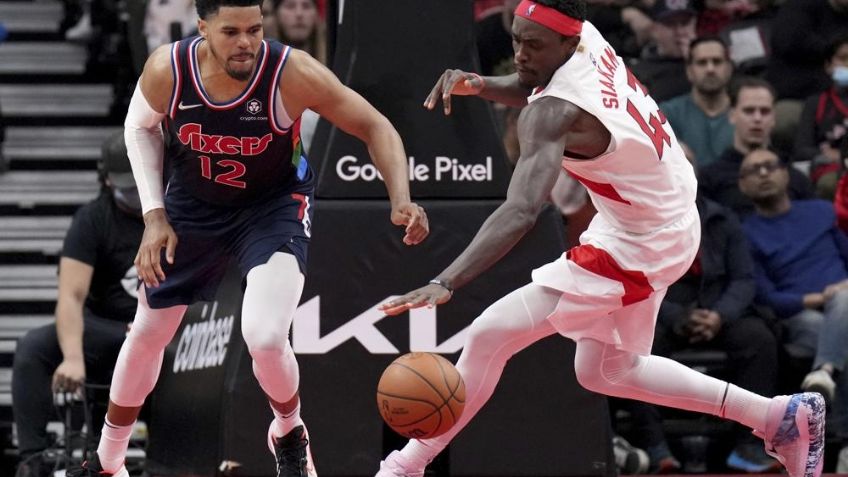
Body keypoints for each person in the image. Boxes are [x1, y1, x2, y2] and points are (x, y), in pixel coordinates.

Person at [374, 2, 825, 477]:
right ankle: (778, 416)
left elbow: (522, 210)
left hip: (643, 238)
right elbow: (532, 79)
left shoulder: (555, 113)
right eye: (516, 40)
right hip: (658, 211)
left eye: (533, 45)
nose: (521, 54)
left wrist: (447, 279)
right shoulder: (584, 36)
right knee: (606, 370)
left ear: (567, 43)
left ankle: (405, 466)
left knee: (490, 334)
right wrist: (482, 84)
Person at [67, 1, 429, 476]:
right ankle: (108, 462)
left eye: (255, 29)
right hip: (193, 207)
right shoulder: (168, 68)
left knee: (264, 334)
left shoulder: (290, 72)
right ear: (203, 29)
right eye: (231, 31)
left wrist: (399, 196)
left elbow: (375, 125)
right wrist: (154, 214)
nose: (245, 43)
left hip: (272, 207)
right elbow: (139, 127)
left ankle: (289, 432)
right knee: (150, 331)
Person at [13, 131, 144, 477]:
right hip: (111, 331)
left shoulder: (177, 209)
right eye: (126, 185)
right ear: (106, 179)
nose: (134, 192)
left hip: (164, 330)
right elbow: (70, 296)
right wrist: (72, 357)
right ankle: (33, 460)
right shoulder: (93, 220)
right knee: (32, 347)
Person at [737, 148, 848, 451]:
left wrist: (841, 290)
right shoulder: (746, 233)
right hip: (799, 315)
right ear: (742, 185)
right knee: (829, 330)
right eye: (753, 170)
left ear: (786, 174)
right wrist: (816, 298)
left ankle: (824, 375)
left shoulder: (822, 211)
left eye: (770, 165)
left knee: (844, 304)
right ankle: (840, 437)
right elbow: (766, 297)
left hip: (844, 298)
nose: (763, 173)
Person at [699, 77, 813, 218]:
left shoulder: (793, 177)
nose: (757, 118)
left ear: (773, 118)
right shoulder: (709, 179)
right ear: (732, 115)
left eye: (764, 111)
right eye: (749, 111)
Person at [660, 36, 734, 166]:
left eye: (717, 62)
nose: (710, 69)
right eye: (702, 63)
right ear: (689, 71)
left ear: (729, 68)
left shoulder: (746, 111)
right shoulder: (668, 113)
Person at [794, 34, 848, 200]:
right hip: (831, 171)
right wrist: (836, 157)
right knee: (830, 183)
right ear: (828, 66)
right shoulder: (816, 103)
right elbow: (801, 150)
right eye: (843, 58)